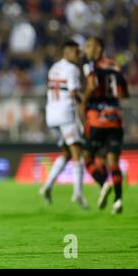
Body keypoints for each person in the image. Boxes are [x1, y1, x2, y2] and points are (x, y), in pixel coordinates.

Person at [82, 37, 130, 214]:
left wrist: (84, 102)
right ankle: (118, 201)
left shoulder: (92, 65)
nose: (86, 49)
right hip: (116, 118)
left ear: (99, 48)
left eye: (89, 46)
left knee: (86, 157)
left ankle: (103, 183)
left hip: (99, 118)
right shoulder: (115, 65)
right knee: (113, 161)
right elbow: (125, 93)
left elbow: (92, 84)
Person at [40, 40, 88, 209]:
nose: (79, 55)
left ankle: (47, 186)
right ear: (66, 53)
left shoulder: (54, 67)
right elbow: (74, 92)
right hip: (65, 114)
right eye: (76, 52)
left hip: (51, 115)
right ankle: (78, 193)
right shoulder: (73, 69)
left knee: (67, 153)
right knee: (77, 153)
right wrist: (86, 102)